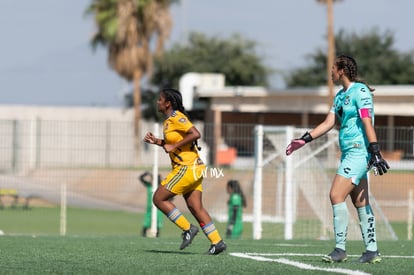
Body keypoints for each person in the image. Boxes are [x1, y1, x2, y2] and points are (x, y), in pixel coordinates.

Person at [286, 54, 389, 264]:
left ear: (341, 70)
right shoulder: (340, 96)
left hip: (360, 152)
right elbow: (328, 123)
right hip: (349, 154)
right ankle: (372, 250)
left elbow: (367, 122)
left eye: (333, 68)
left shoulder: (360, 92)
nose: (331, 72)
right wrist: (304, 139)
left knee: (335, 195)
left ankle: (340, 249)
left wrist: (375, 152)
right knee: (360, 202)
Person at [143, 87, 227, 255]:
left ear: (167, 104)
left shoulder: (177, 117)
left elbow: (196, 133)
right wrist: (158, 142)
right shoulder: (168, 122)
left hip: (187, 168)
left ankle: (188, 229)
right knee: (195, 207)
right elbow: (174, 144)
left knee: (158, 198)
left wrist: (172, 145)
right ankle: (217, 242)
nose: (157, 102)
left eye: (160, 99)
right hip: (194, 168)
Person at [139, 171, 163, 237]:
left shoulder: (160, 187)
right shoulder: (149, 185)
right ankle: (143, 234)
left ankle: (157, 234)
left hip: (158, 208)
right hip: (149, 208)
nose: (151, 180)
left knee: (158, 221)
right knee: (147, 221)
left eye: (153, 179)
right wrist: (146, 173)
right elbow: (140, 178)